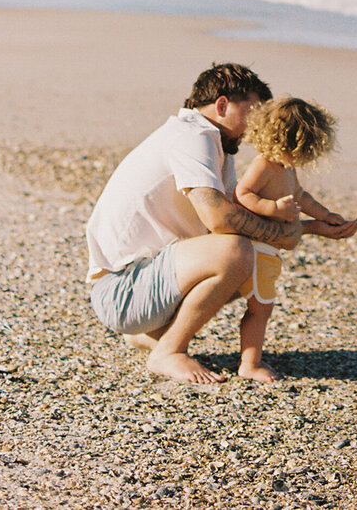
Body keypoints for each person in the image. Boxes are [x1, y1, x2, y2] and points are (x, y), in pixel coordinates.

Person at [85, 62, 300, 386]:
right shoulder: (194, 135)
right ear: (222, 105)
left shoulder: (212, 144)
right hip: (121, 291)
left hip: (137, 285)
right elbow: (219, 219)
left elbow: (238, 217)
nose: (257, 128)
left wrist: (311, 227)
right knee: (235, 251)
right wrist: (281, 236)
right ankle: (168, 352)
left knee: (251, 253)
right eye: (253, 114)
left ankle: (153, 334)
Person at [234, 96, 357, 381]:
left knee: (262, 307)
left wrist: (325, 214)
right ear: (286, 143)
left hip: (270, 249)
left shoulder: (286, 167)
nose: (304, 158)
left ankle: (250, 360)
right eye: (303, 151)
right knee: (260, 309)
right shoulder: (263, 165)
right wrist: (272, 208)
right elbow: (242, 194)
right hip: (255, 249)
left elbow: (301, 197)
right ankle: (249, 364)